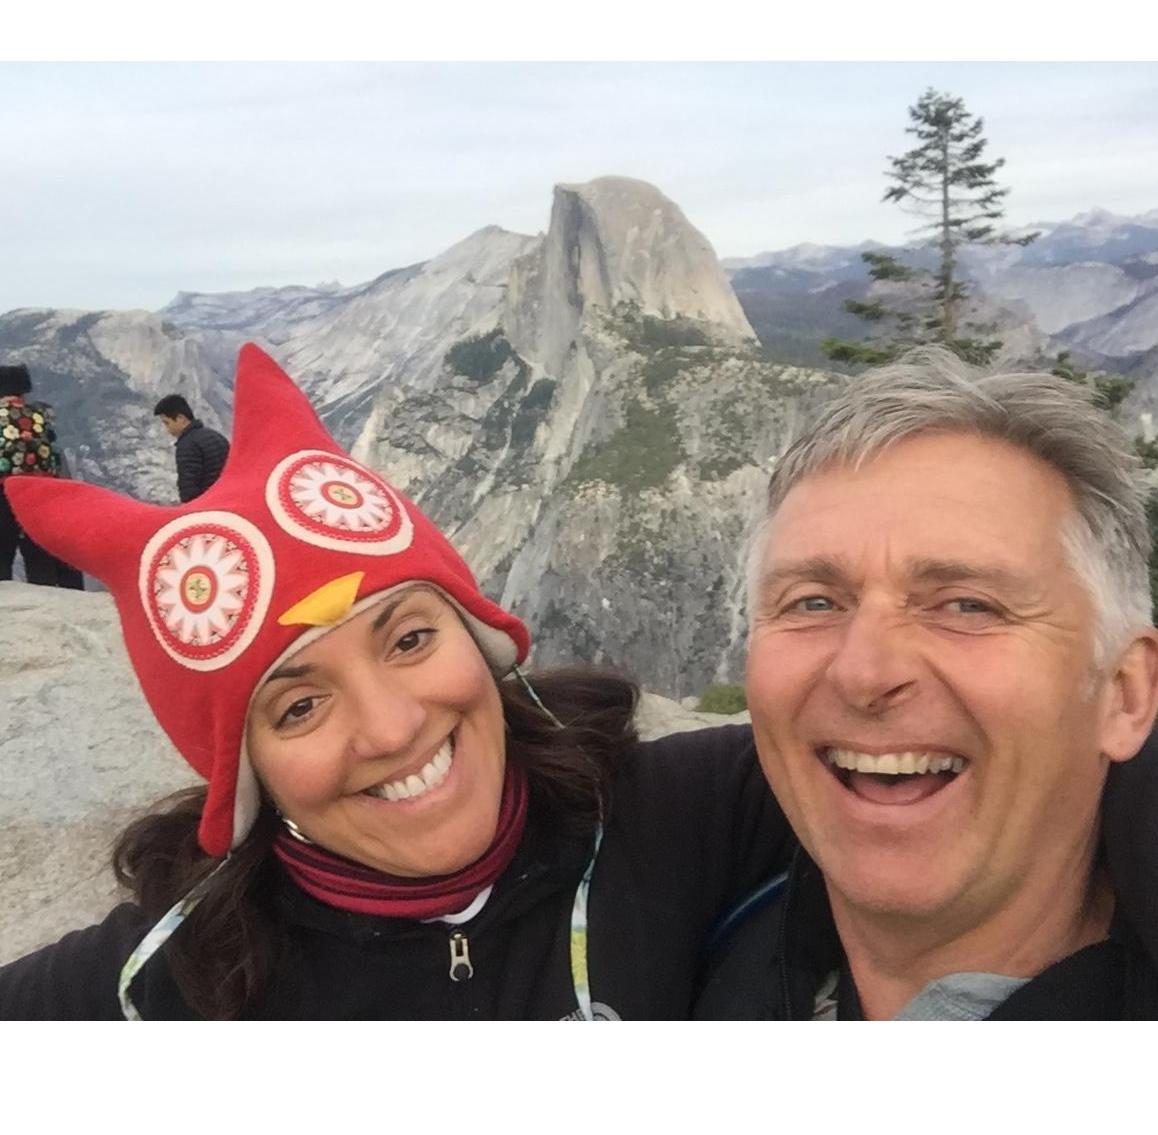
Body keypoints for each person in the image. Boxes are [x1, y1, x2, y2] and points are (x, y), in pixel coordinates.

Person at [0, 343, 788, 1020]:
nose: (392, 729)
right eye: (300, 706)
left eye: (410, 639)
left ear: (477, 637)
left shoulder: (692, 813)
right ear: (246, 774)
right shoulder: (177, 977)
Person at [697, 347, 1158, 1020]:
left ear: (1125, 693)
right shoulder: (686, 931)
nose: (864, 673)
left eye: (967, 606)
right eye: (813, 602)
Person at [0, 364, 83, 588]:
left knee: (2, 555)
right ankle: (45, 595)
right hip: (41, 494)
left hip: (4, 494)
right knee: (38, 554)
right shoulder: (40, 415)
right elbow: (56, 457)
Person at [153, 393, 230, 502]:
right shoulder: (217, 436)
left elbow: (188, 488)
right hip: (228, 500)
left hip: (207, 505)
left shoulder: (187, 445)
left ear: (181, 418)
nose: (166, 429)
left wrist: (189, 508)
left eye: (167, 423)